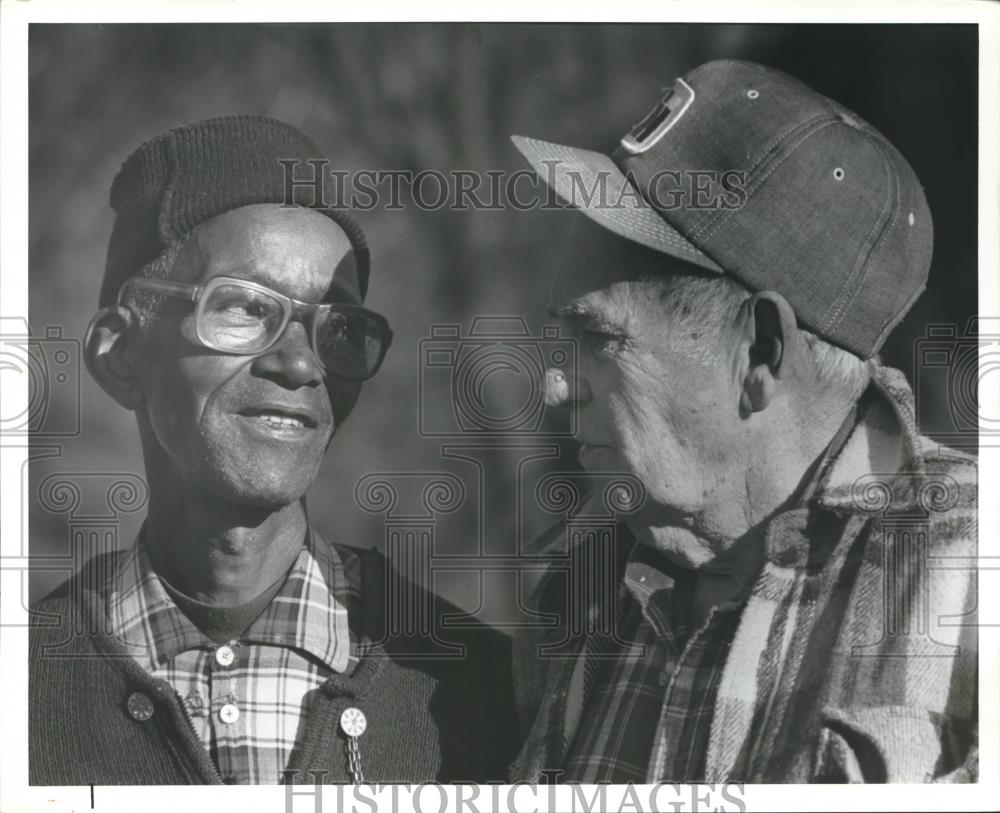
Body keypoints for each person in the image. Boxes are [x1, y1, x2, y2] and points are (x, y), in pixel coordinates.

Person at [508, 60, 977, 783]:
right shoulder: (575, 601)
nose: (555, 385)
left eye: (600, 339)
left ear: (760, 352)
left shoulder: (971, 578)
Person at [29, 115, 517, 785]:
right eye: (247, 308)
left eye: (338, 327)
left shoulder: (475, 689)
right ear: (120, 356)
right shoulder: (26, 686)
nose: (300, 363)